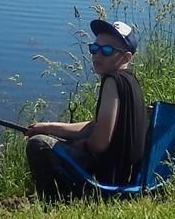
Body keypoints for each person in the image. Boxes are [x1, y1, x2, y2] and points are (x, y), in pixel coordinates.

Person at [25, 19, 147, 199]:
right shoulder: (130, 81)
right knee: (48, 136)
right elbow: (96, 125)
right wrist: (47, 127)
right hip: (124, 172)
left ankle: (56, 201)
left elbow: (99, 143)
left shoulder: (112, 81)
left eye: (107, 51)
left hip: (108, 178)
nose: (98, 55)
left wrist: (85, 144)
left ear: (126, 57)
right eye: (94, 48)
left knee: (38, 143)